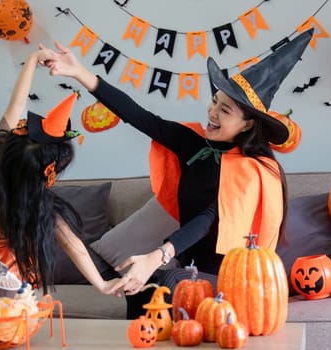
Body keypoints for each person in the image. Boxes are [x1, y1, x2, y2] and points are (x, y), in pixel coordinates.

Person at [41, 29, 314, 318]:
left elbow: (207, 219)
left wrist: (159, 256)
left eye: (225, 110)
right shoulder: (194, 143)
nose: (212, 112)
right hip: (192, 269)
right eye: (214, 102)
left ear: (247, 125)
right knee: (142, 290)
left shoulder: (253, 170)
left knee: (165, 283)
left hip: (232, 281)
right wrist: (80, 72)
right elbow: (139, 116)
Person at [0, 45, 124, 297]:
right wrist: (102, 284)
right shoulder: (37, 200)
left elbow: (16, 104)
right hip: (1, 267)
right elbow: (73, 245)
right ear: (46, 173)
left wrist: (32, 60)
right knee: (2, 317)